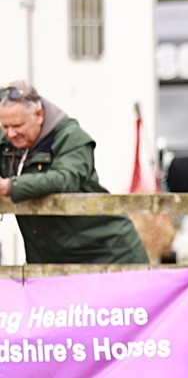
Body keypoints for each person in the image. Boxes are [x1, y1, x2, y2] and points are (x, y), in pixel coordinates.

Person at [0, 82, 149, 264]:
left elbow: (65, 179)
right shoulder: (6, 142)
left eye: (17, 125)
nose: (11, 133)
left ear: (39, 115)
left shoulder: (71, 138)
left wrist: (10, 187)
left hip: (109, 254)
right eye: (5, 126)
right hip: (49, 261)